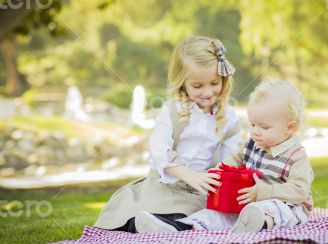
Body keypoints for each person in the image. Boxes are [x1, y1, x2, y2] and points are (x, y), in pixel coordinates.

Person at [93, 36, 241, 233]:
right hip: (167, 184)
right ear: (182, 83)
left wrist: (218, 175)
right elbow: (159, 149)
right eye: (197, 86)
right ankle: (150, 222)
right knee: (145, 207)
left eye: (214, 83)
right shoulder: (173, 111)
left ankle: (165, 225)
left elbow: (231, 158)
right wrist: (189, 176)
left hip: (202, 189)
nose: (207, 92)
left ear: (223, 79)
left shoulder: (229, 118)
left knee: (204, 213)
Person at [135, 79, 314, 233]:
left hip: (287, 204)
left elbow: (300, 190)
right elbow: (236, 157)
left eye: (264, 127)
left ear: (290, 128)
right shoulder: (254, 143)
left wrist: (264, 192)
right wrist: (221, 169)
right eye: (252, 125)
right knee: (217, 213)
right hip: (248, 200)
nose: (255, 132)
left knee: (274, 210)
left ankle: (259, 224)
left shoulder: (296, 156)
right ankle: (178, 227)